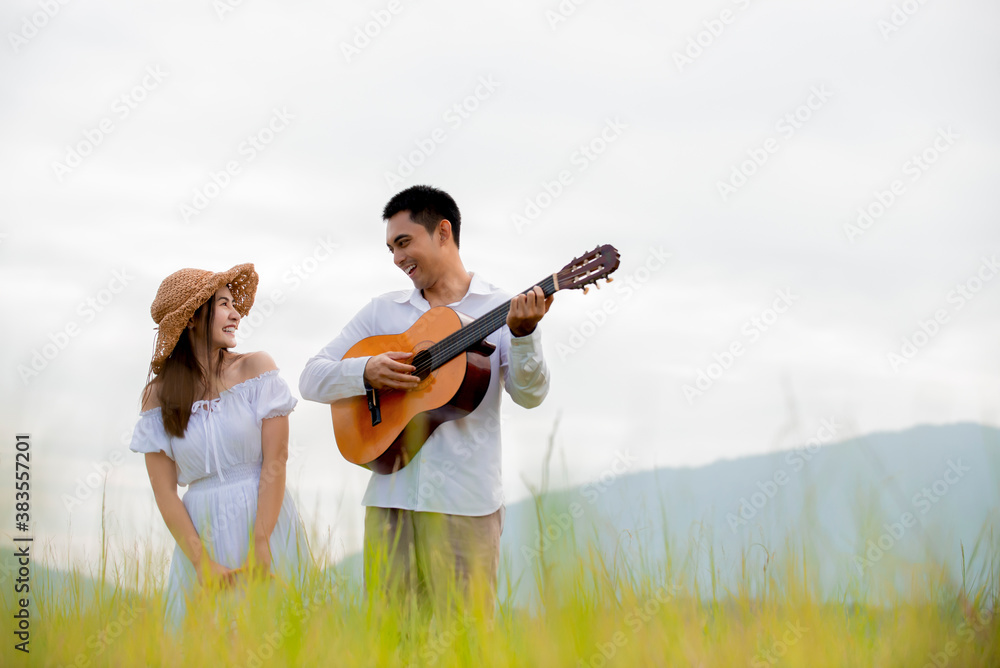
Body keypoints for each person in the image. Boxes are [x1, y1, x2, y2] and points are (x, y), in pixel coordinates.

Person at [299, 185, 552, 614]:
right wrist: (365, 371)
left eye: (404, 242)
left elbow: (530, 396)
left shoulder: (504, 307)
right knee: (389, 642)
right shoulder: (383, 311)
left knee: (463, 646)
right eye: (391, 249)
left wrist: (525, 337)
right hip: (390, 503)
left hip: (466, 506)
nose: (397, 258)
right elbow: (310, 378)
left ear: (442, 233)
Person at [129, 263, 310, 629]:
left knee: (275, 635)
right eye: (224, 304)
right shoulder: (157, 396)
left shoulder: (255, 369)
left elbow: (277, 460)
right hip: (201, 529)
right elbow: (164, 493)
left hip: (264, 517)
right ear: (192, 318)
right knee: (206, 642)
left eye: (233, 304)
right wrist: (201, 562)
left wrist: (262, 542)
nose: (236, 314)